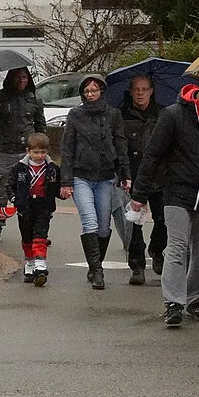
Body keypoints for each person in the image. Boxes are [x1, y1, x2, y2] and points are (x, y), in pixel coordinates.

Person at [132, 78, 199, 327]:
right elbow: (153, 154)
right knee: (177, 248)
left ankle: (194, 299)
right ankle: (173, 303)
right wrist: (140, 193)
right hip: (177, 192)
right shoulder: (173, 115)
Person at [59, 75, 131, 290]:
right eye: (87, 91)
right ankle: (98, 270)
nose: (90, 94)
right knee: (89, 221)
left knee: (103, 226)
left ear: (101, 91)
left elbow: (120, 145)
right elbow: (67, 148)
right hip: (81, 176)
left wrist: (125, 173)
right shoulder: (75, 115)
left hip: (106, 175)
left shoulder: (113, 115)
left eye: (94, 90)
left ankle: (94, 264)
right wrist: (66, 180)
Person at [0, 67, 47, 242]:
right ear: (11, 78)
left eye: (25, 77)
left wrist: (41, 148)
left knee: (33, 191)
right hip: (6, 151)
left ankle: (37, 230)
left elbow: (40, 126)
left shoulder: (34, 99)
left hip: (27, 152)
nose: (22, 81)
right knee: (2, 191)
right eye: (18, 77)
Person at [119, 75, 167, 283]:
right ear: (130, 92)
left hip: (160, 174)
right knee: (134, 223)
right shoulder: (121, 115)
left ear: (151, 91)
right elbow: (119, 146)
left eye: (144, 89)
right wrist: (123, 173)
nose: (140, 93)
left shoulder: (163, 114)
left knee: (163, 219)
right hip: (133, 173)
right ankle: (137, 266)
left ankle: (157, 250)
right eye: (136, 89)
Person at [8, 132, 63, 287]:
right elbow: (10, 186)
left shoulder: (52, 169)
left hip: (43, 207)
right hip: (24, 208)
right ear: (28, 151)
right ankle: (30, 262)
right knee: (27, 237)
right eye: (36, 152)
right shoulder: (20, 168)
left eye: (43, 152)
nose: (40, 155)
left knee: (40, 234)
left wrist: (62, 194)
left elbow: (57, 188)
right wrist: (15, 199)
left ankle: (40, 263)